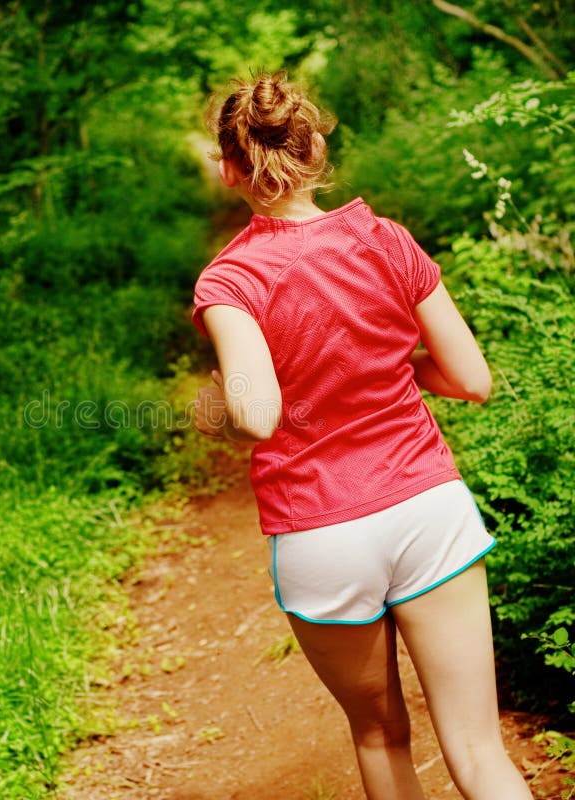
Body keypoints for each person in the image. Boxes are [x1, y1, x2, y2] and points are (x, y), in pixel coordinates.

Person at [191, 72, 532, 800]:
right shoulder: (387, 241)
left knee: (380, 736)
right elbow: (471, 378)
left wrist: (220, 399)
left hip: (323, 533)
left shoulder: (230, 281)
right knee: (478, 749)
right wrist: (395, 367)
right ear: (315, 148)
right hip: (426, 509)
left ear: (229, 170)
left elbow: (257, 415)